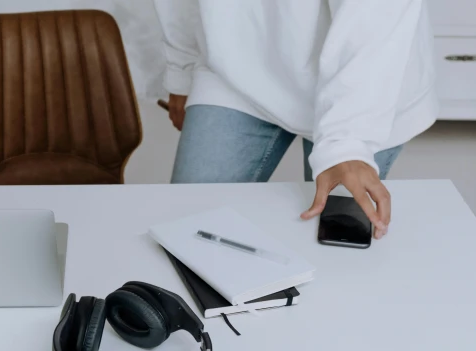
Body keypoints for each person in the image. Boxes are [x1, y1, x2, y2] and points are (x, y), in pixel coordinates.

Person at [154, 0, 438, 240]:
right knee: (187, 228)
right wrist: (181, 68)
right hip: (234, 62)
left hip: (362, 79)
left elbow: (375, 17)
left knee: (337, 244)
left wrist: (347, 142)